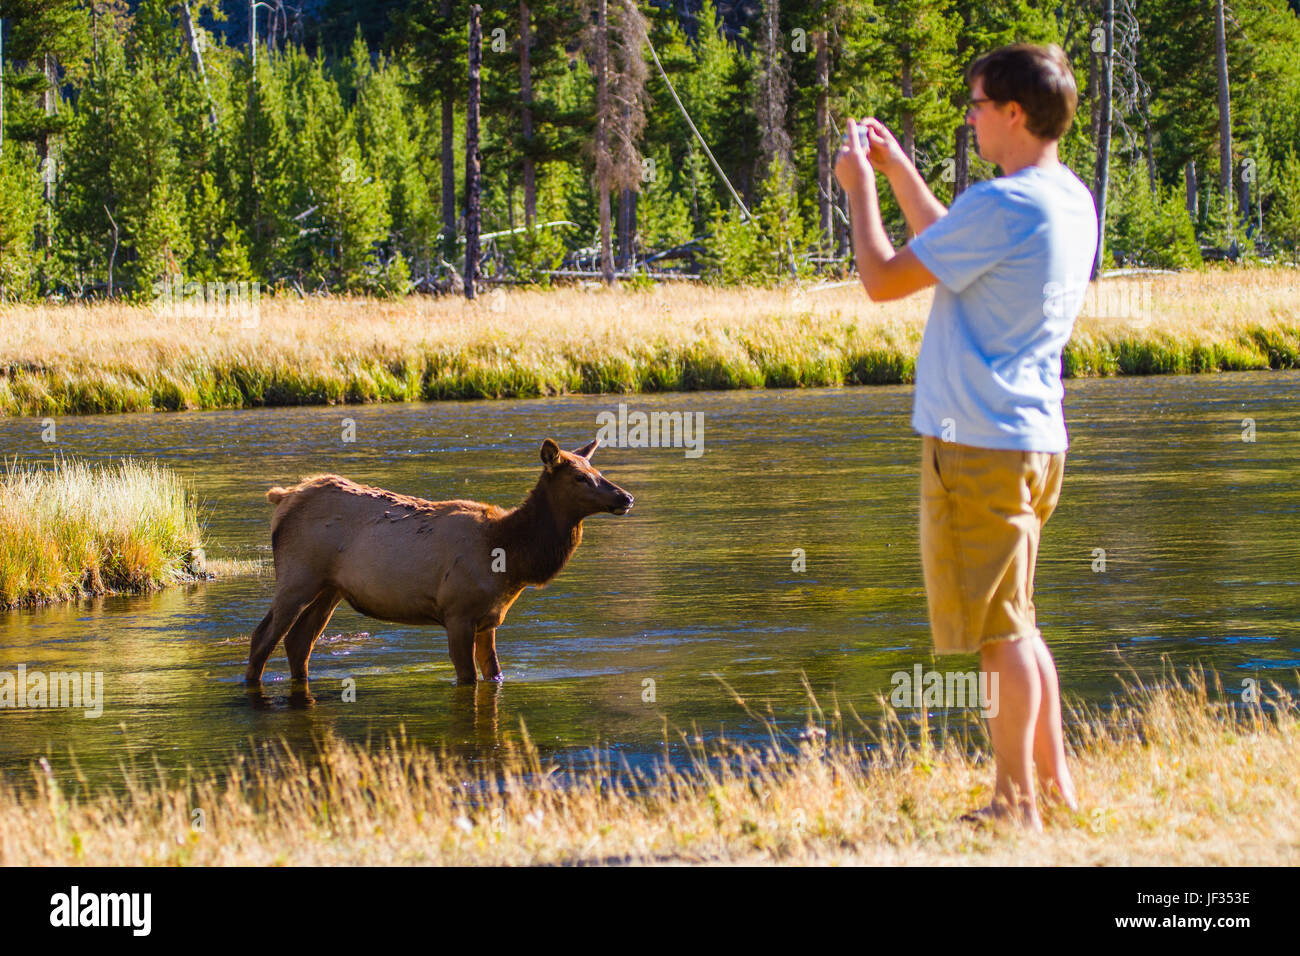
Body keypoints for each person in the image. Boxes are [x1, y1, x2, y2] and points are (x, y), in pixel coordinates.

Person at [833, 43, 1099, 829]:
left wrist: (857, 193)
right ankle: (1055, 791)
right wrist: (898, 172)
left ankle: (1015, 802)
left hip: (978, 446)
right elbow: (956, 254)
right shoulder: (1065, 197)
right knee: (1017, 620)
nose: (972, 117)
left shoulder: (1003, 203)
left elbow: (883, 278)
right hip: (1033, 438)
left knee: (997, 635)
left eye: (978, 104)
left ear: (1014, 113)